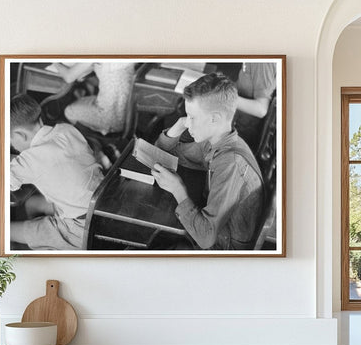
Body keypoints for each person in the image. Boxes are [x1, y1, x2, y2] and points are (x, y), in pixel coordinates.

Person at [151, 72, 264, 250]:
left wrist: (178, 189)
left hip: (224, 249)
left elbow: (206, 239)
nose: (188, 123)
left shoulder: (231, 163)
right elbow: (161, 152)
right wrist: (180, 124)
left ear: (215, 119)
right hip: (217, 231)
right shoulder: (215, 139)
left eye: (192, 117)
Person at [10, 94, 103, 250]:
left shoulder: (30, 160)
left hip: (79, 230)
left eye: (10, 141)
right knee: (31, 203)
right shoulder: (67, 129)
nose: (12, 146)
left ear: (20, 135)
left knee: (5, 230)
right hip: (99, 209)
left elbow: (4, 182)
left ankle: (44, 245)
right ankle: (41, 239)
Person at [54, 62, 135, 136]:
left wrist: (55, 62)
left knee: (69, 111)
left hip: (110, 119)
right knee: (83, 94)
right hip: (127, 112)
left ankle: (88, 137)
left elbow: (69, 77)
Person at [234, 62, 276, 151]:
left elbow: (261, 109)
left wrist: (225, 98)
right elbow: (243, 85)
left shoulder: (261, 64)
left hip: (244, 133)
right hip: (236, 122)